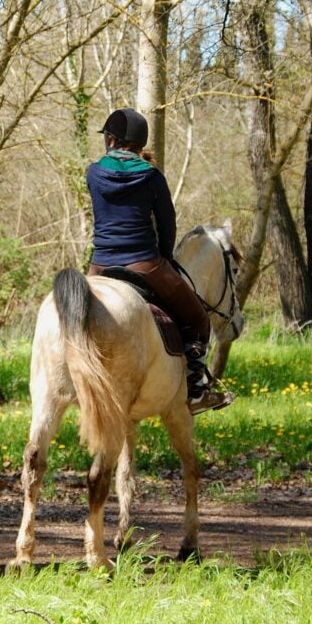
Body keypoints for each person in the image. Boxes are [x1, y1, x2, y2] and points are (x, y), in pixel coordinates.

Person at [86, 107, 232, 415]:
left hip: (99, 266)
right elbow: (167, 224)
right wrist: (165, 258)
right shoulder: (152, 176)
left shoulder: (93, 173)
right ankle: (195, 389)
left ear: (112, 140)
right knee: (198, 319)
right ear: (139, 143)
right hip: (144, 263)